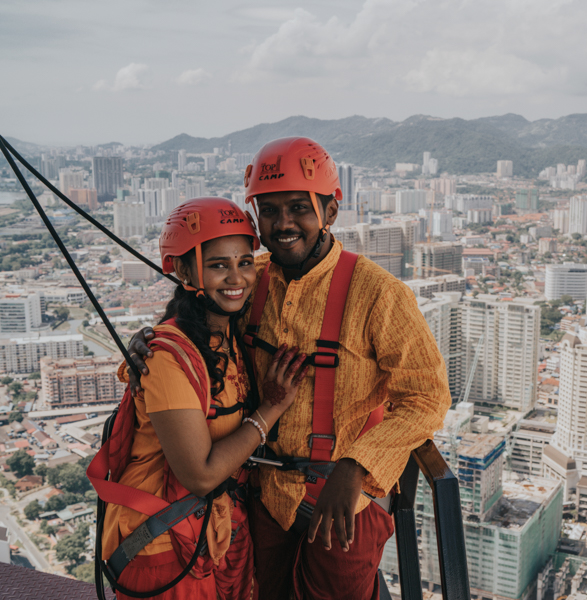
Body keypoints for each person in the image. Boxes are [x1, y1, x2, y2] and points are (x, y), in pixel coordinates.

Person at [129, 138, 452, 600]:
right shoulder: (250, 278)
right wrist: (150, 341)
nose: (283, 224)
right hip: (264, 494)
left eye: (298, 207)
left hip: (346, 505)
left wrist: (356, 467)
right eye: (270, 210)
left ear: (330, 212)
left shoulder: (379, 294)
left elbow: (427, 397)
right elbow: (199, 329)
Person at [105, 197, 308, 599]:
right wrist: (270, 410)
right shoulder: (166, 357)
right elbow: (200, 474)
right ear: (183, 270)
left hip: (214, 532)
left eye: (245, 262)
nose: (237, 278)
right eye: (218, 265)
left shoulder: (227, 330)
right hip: (162, 541)